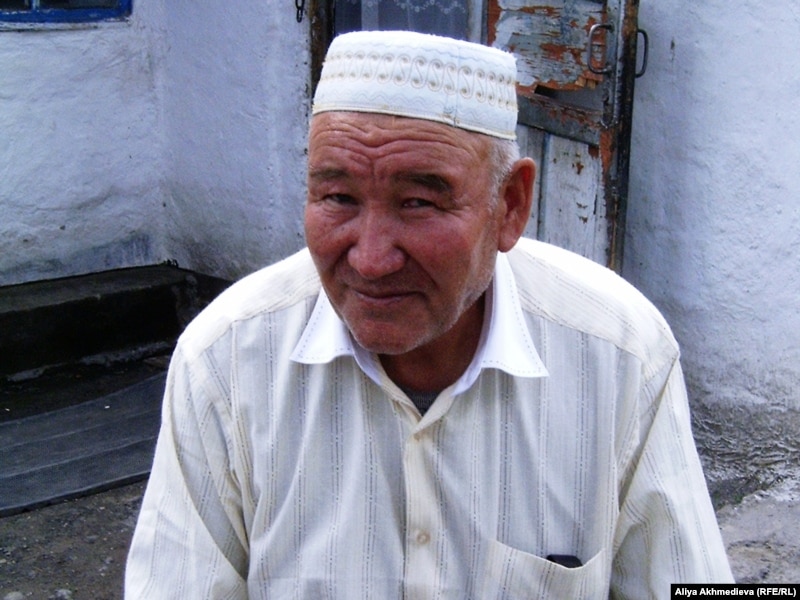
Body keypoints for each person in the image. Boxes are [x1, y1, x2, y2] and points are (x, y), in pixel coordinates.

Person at [125, 30, 733, 598]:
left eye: (418, 203)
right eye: (337, 197)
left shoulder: (621, 353)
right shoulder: (226, 359)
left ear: (510, 205)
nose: (370, 259)